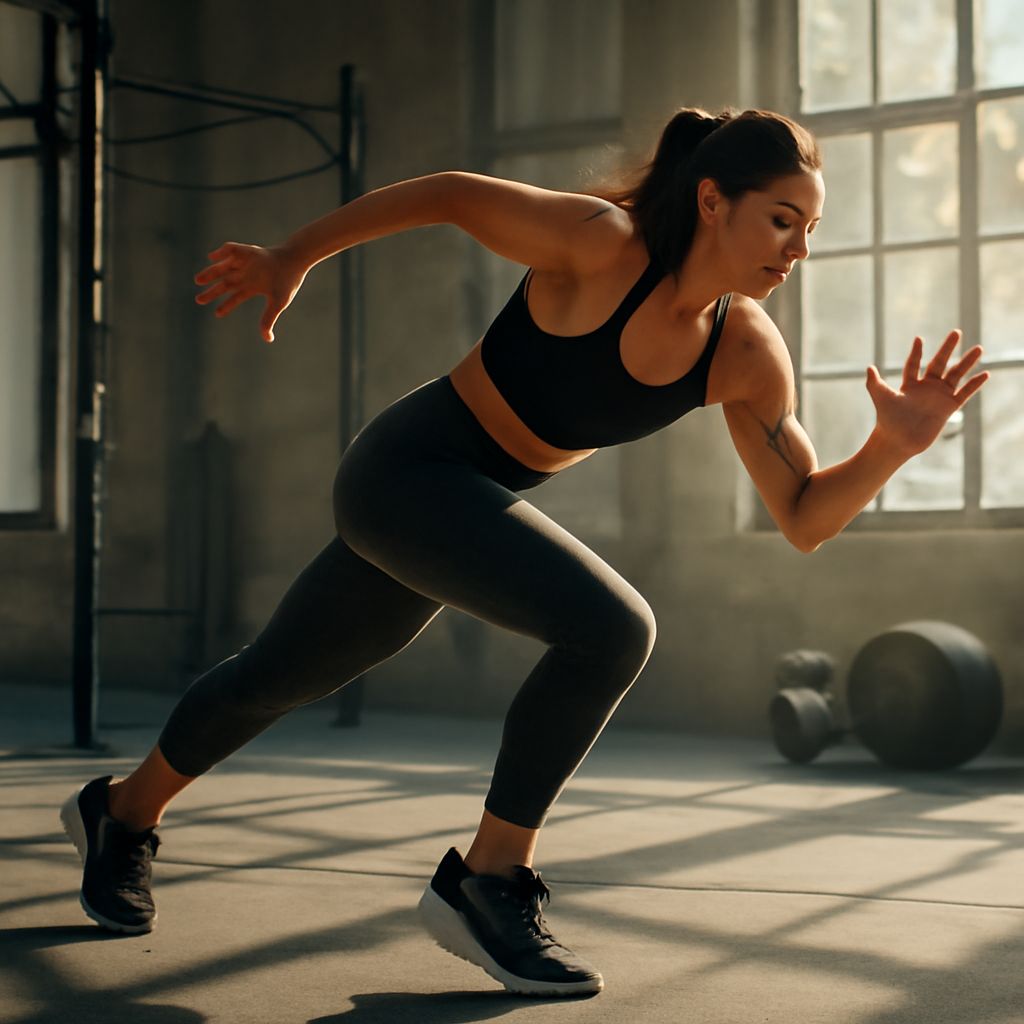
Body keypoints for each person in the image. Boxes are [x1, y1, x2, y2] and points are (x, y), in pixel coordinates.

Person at [60, 107, 988, 998]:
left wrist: (890, 449)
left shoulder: (745, 351)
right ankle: (487, 882)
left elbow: (804, 516)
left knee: (276, 673)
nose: (800, 250)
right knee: (612, 628)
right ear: (713, 200)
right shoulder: (601, 242)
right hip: (405, 470)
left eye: (811, 230)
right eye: (784, 220)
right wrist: (292, 254)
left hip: (468, 501)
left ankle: (121, 813)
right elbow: (453, 194)